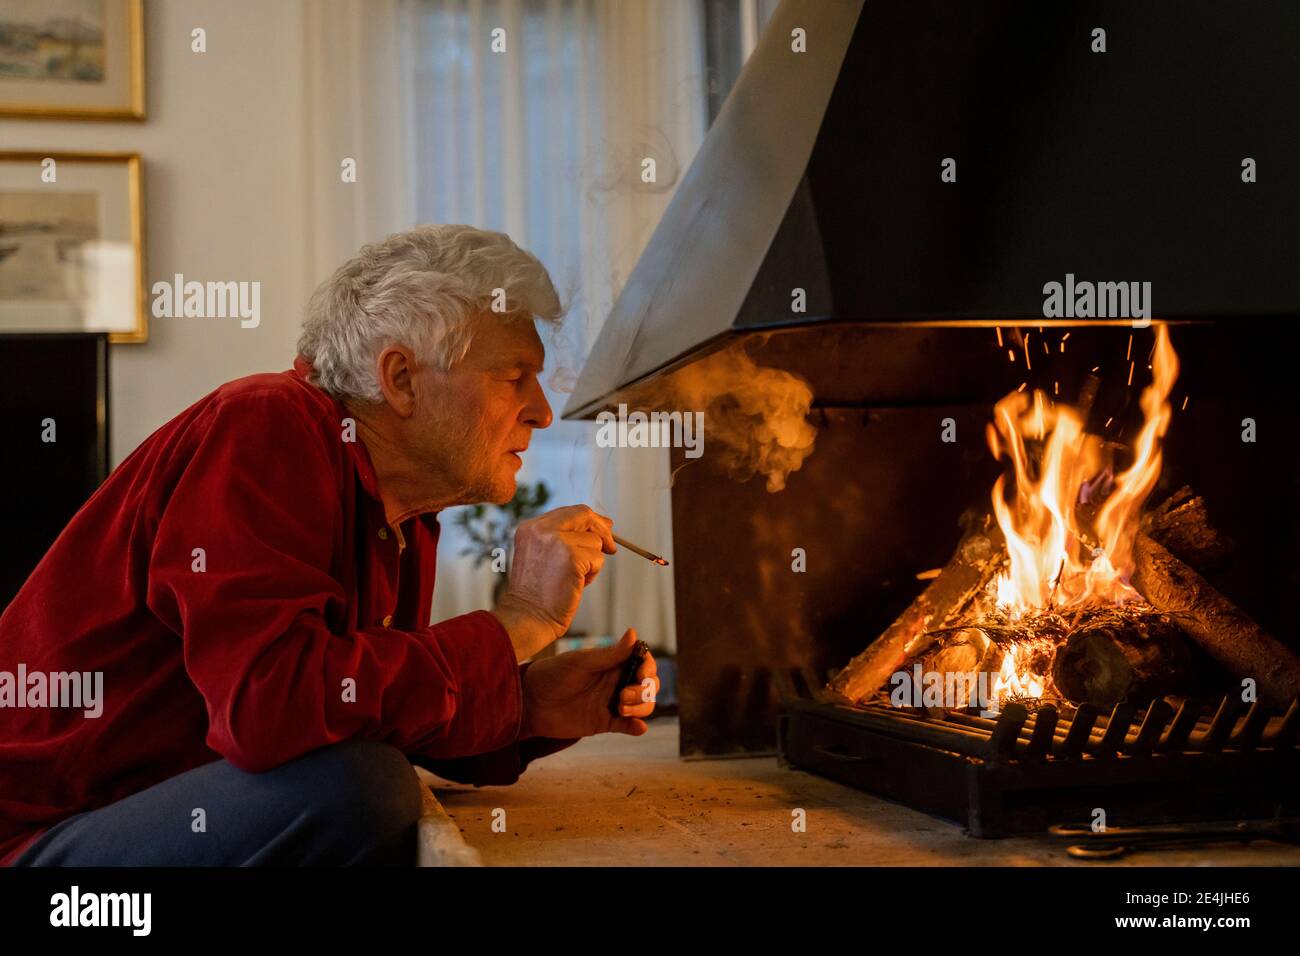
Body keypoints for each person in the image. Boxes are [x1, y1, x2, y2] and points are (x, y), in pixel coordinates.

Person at [0, 224, 657, 866]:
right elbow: (269, 710)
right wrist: (522, 621)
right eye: (514, 376)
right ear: (400, 378)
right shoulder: (265, 425)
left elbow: (346, 709)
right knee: (361, 786)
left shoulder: (400, 510)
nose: (542, 412)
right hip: (38, 838)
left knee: (364, 773)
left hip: (138, 811)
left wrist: (529, 705)